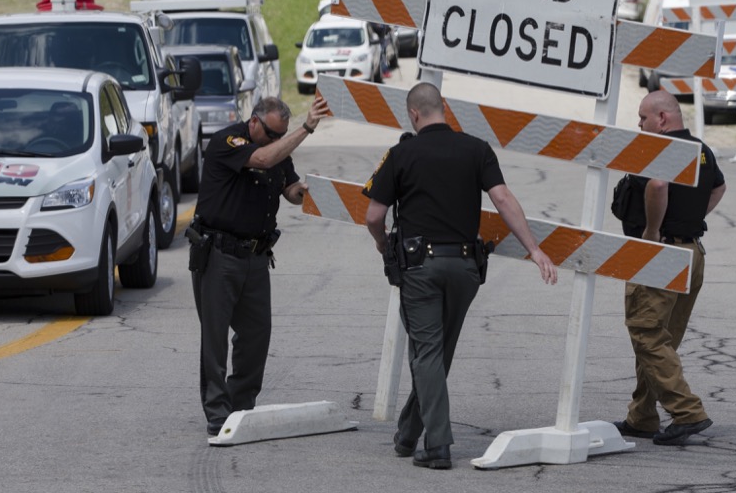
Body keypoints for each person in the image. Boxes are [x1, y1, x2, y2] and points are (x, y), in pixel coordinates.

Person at [363, 82, 558, 470]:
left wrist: (383, 244)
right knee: (435, 354)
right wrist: (534, 249)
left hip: (421, 269)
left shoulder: (402, 153)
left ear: (414, 115)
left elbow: (373, 215)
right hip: (466, 267)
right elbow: (502, 198)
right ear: (443, 108)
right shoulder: (476, 149)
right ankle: (407, 434)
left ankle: (437, 446)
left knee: (427, 354)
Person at [190, 95, 331, 437]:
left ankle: (241, 406)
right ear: (253, 122)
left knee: (256, 335)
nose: (274, 140)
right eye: (270, 133)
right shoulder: (229, 140)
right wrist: (307, 127)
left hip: (255, 255)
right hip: (219, 254)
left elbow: (288, 187)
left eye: (279, 135)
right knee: (215, 338)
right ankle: (217, 412)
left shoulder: (275, 146)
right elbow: (264, 158)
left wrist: (305, 191)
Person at [613, 90, 725, 445]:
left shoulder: (659, 149)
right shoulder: (701, 150)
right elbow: (720, 187)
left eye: (643, 119)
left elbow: (657, 185)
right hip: (692, 253)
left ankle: (687, 411)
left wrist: (651, 231)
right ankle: (642, 417)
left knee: (646, 334)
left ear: (662, 119)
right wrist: (690, 218)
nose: (639, 125)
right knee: (662, 341)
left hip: (661, 253)